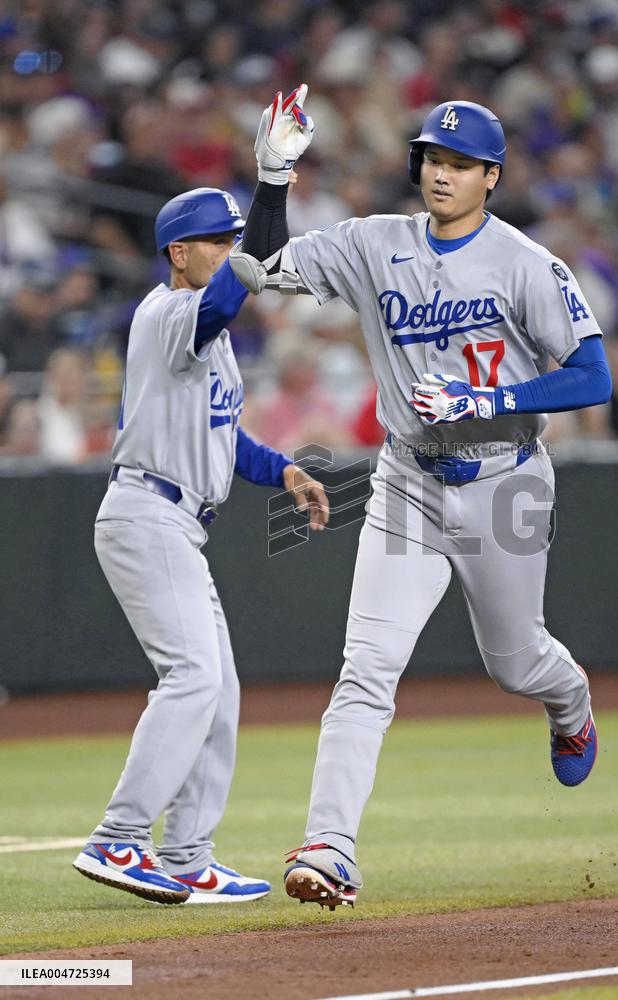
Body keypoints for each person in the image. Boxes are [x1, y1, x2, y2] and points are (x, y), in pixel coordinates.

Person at [230, 96, 613, 908]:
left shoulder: (523, 262)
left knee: (516, 663)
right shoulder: (375, 244)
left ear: (491, 177)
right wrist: (272, 179)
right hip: (406, 479)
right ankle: (329, 849)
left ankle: (570, 700)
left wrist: (483, 400)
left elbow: (593, 375)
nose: (442, 172)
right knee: (365, 672)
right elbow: (259, 269)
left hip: (507, 476)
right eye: (433, 158)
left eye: (461, 163)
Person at [73, 87, 329, 905]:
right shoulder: (169, 312)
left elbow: (226, 441)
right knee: (191, 679)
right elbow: (243, 281)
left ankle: (186, 857)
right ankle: (118, 839)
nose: (227, 249)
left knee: (218, 690)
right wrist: (271, 182)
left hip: (178, 516)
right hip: (147, 514)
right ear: (179, 253)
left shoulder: (206, 343)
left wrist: (282, 469)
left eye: (228, 237)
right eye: (213, 241)